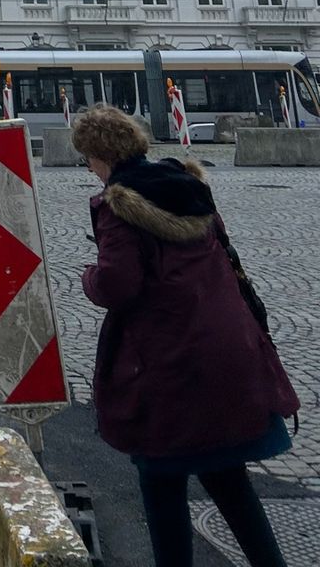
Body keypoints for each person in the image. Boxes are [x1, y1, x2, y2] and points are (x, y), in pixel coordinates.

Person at [71, 105, 298, 567]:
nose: (89, 168)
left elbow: (117, 285)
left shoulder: (119, 205)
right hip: (227, 347)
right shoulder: (187, 186)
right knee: (228, 478)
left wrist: (88, 276)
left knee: (161, 480)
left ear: (101, 156)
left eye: (88, 159)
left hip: (168, 363)